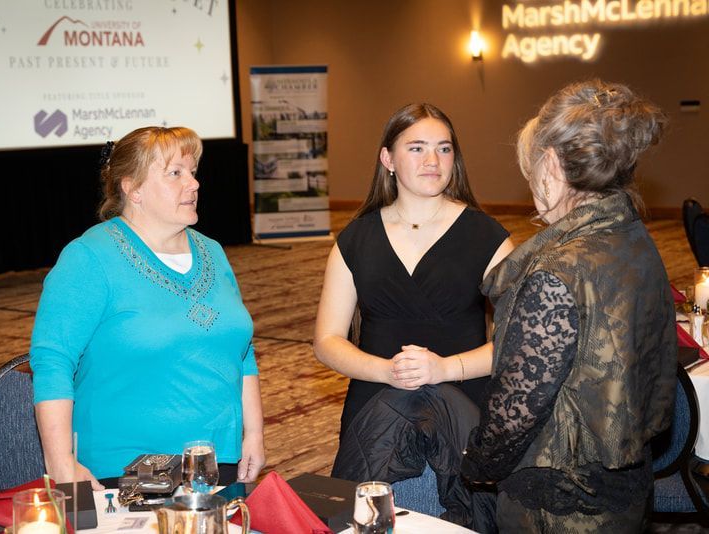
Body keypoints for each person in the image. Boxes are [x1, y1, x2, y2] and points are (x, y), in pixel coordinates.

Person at [460, 80, 677, 532]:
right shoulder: (633, 240)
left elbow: (515, 410)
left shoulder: (556, 273)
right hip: (627, 487)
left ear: (553, 165)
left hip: (561, 507)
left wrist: (475, 466)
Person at [30, 126, 265, 489]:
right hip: (128, 470)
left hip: (217, 463)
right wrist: (61, 464)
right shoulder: (90, 257)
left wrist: (253, 433)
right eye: (176, 173)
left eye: (192, 172)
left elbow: (242, 353)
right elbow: (53, 362)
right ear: (133, 188)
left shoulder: (213, 252)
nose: (194, 183)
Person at [313, 103, 513, 524]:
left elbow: (518, 344)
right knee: (376, 524)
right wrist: (386, 371)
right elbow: (327, 341)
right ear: (388, 159)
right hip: (375, 404)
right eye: (417, 148)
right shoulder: (357, 238)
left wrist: (444, 369)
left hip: (466, 403)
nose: (432, 161)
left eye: (443, 149)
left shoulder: (487, 236)